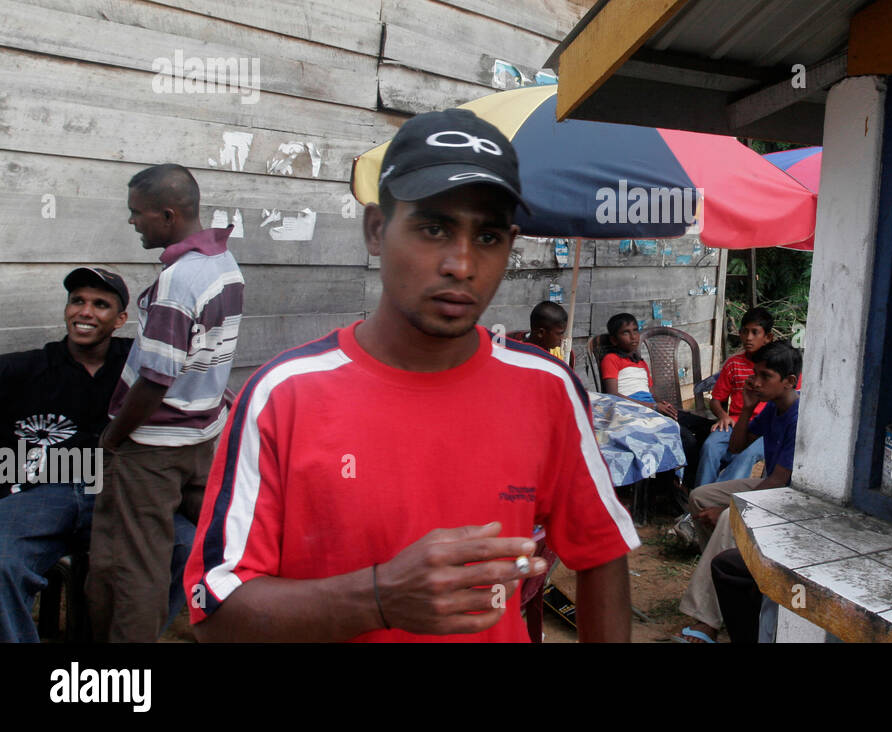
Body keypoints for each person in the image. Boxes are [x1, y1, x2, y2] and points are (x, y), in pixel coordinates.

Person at [185, 108, 637, 642]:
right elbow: (216, 613)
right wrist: (379, 597)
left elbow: (601, 551)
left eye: (488, 237)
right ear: (376, 230)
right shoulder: (284, 396)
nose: (462, 264)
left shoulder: (547, 389)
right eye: (434, 228)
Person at [87, 164, 244, 642]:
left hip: (152, 444)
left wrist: (113, 437)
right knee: (215, 543)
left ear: (168, 215)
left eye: (138, 214)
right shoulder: (225, 264)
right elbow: (209, 353)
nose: (133, 222)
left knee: (132, 565)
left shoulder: (181, 279)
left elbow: (157, 376)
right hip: (200, 436)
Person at [0, 269, 191, 642]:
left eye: (100, 304)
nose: (85, 312)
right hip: (43, 493)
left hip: (120, 491)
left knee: (184, 545)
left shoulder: (141, 368)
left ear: (120, 319)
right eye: (78, 301)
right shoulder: (27, 369)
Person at [678, 340, 800, 642]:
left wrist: (729, 509)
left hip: (790, 498)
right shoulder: (773, 409)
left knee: (724, 520)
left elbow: (779, 483)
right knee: (699, 497)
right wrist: (745, 408)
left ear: (789, 382)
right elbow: (736, 447)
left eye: (766, 376)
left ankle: (708, 620)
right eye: (755, 373)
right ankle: (723, 581)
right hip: (771, 487)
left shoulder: (799, 416)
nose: (756, 382)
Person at [600, 312, 713, 487]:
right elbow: (613, 395)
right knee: (686, 438)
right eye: (626, 332)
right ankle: (686, 487)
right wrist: (652, 407)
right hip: (632, 411)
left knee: (706, 427)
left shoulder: (640, 363)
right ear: (614, 340)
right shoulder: (611, 360)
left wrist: (661, 403)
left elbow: (651, 392)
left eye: (635, 330)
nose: (633, 336)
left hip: (651, 408)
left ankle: (692, 478)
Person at [696, 307, 775, 487]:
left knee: (746, 455)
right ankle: (700, 501)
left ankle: (719, 502)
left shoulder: (777, 365)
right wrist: (723, 416)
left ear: (768, 337)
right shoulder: (734, 364)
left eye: (755, 332)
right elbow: (716, 399)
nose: (748, 338)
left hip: (766, 429)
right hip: (735, 423)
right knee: (710, 446)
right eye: (744, 332)